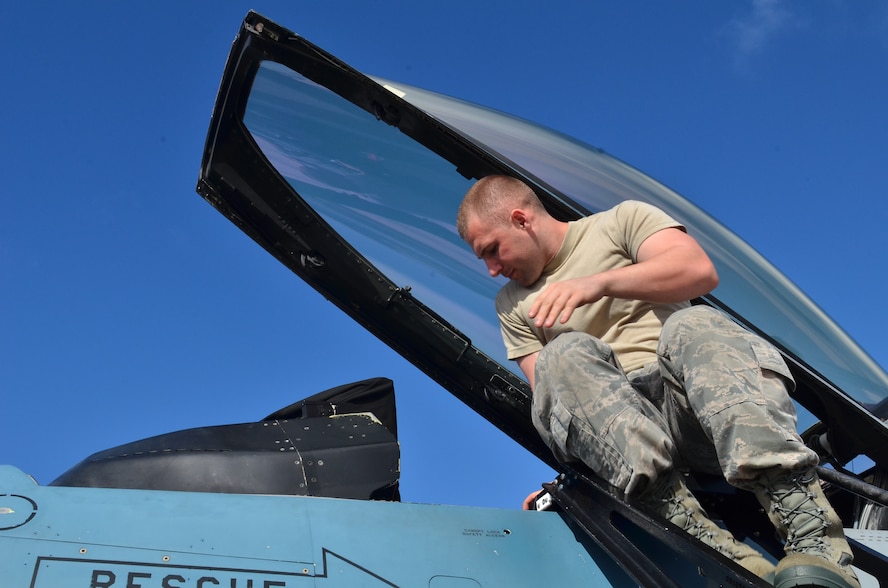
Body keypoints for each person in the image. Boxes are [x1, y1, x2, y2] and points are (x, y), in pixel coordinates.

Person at [456, 175, 859, 588]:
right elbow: (555, 401)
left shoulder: (620, 222)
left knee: (692, 323)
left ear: (522, 220)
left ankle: (815, 542)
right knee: (561, 355)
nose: (492, 270)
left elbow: (697, 271)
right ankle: (708, 547)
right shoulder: (511, 304)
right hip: (624, 439)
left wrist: (597, 284)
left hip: (698, 409)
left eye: (492, 250)